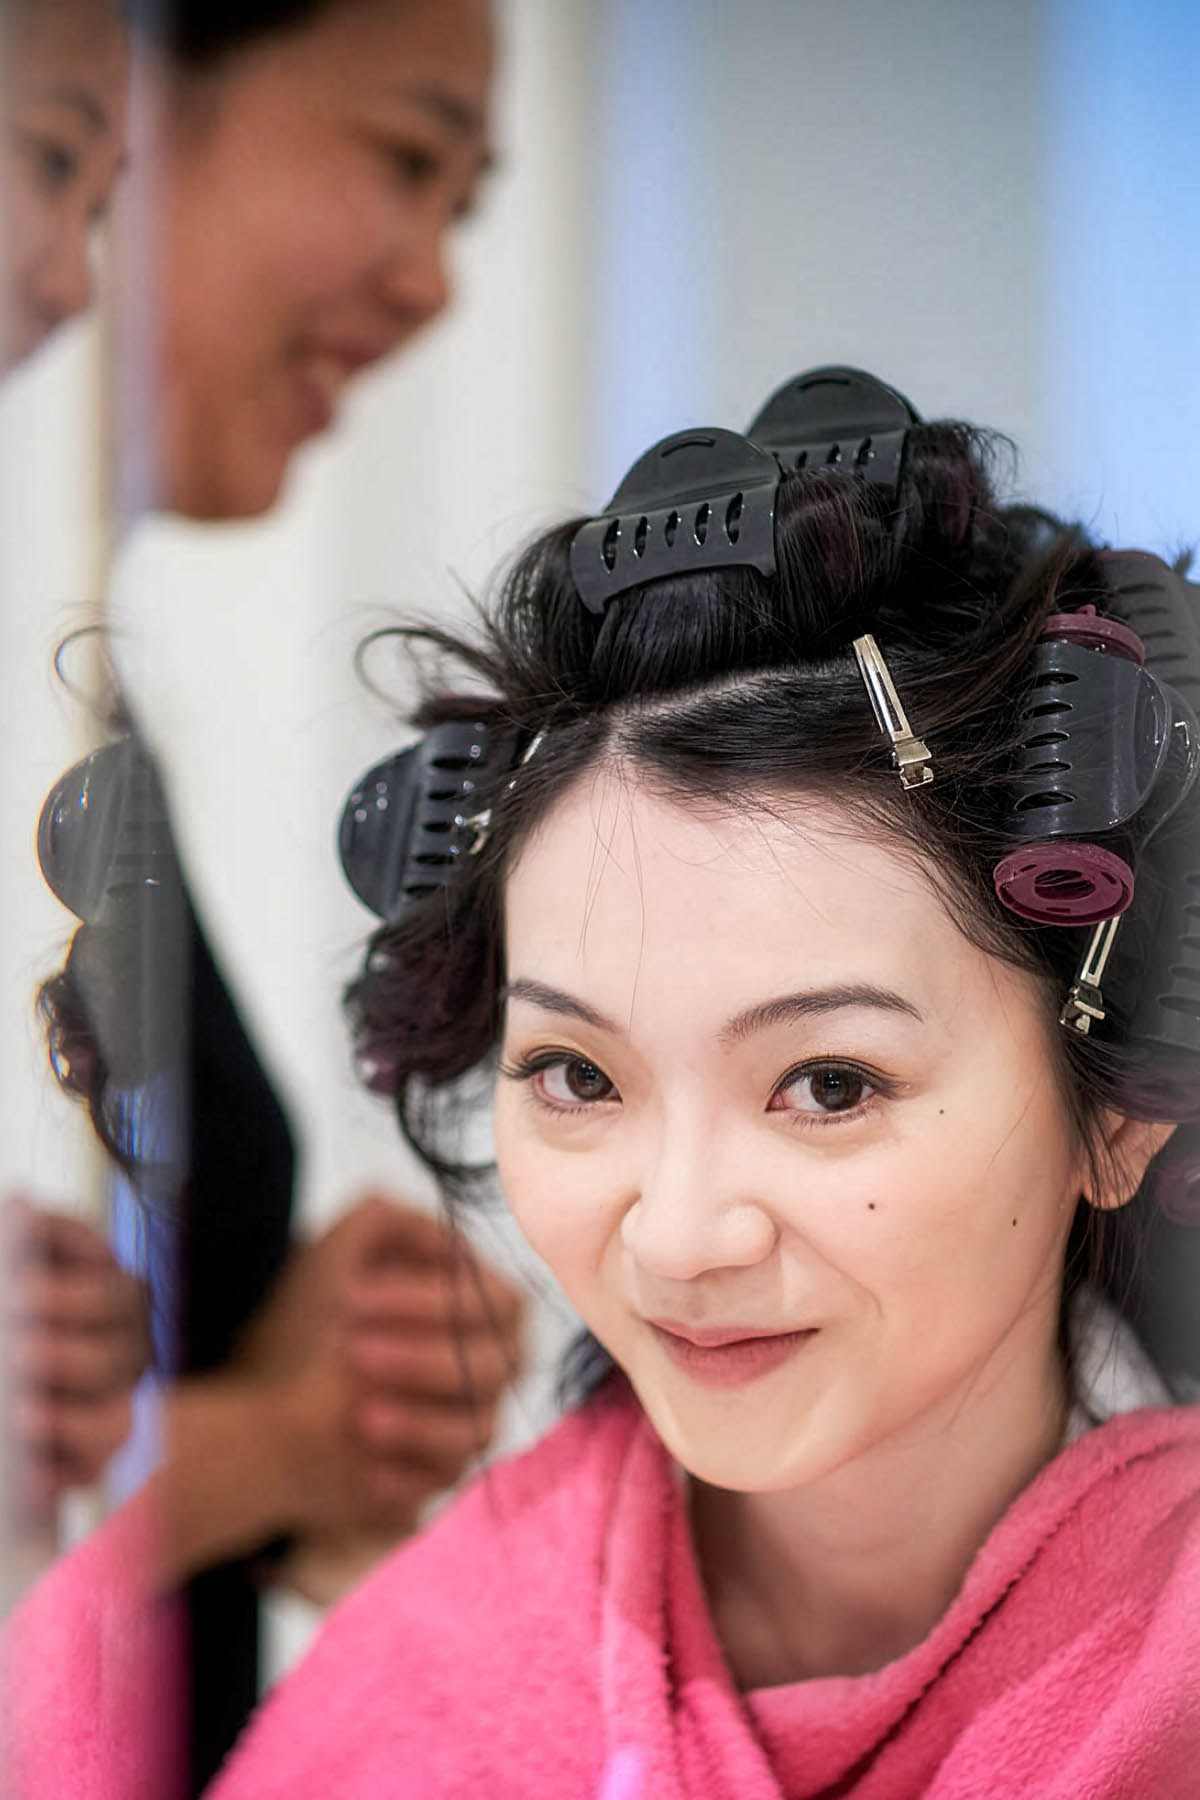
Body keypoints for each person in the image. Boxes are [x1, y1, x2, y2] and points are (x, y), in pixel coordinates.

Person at [194, 368, 1199, 1797]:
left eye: (831, 1084)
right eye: (575, 1074)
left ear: (1116, 1102)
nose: (675, 1234)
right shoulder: (412, 1710)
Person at [9, 1, 523, 1790]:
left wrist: (279, 1403)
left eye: (466, 206)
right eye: (403, 156)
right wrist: (279, 1440)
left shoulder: (84, 727)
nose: (437, 283)